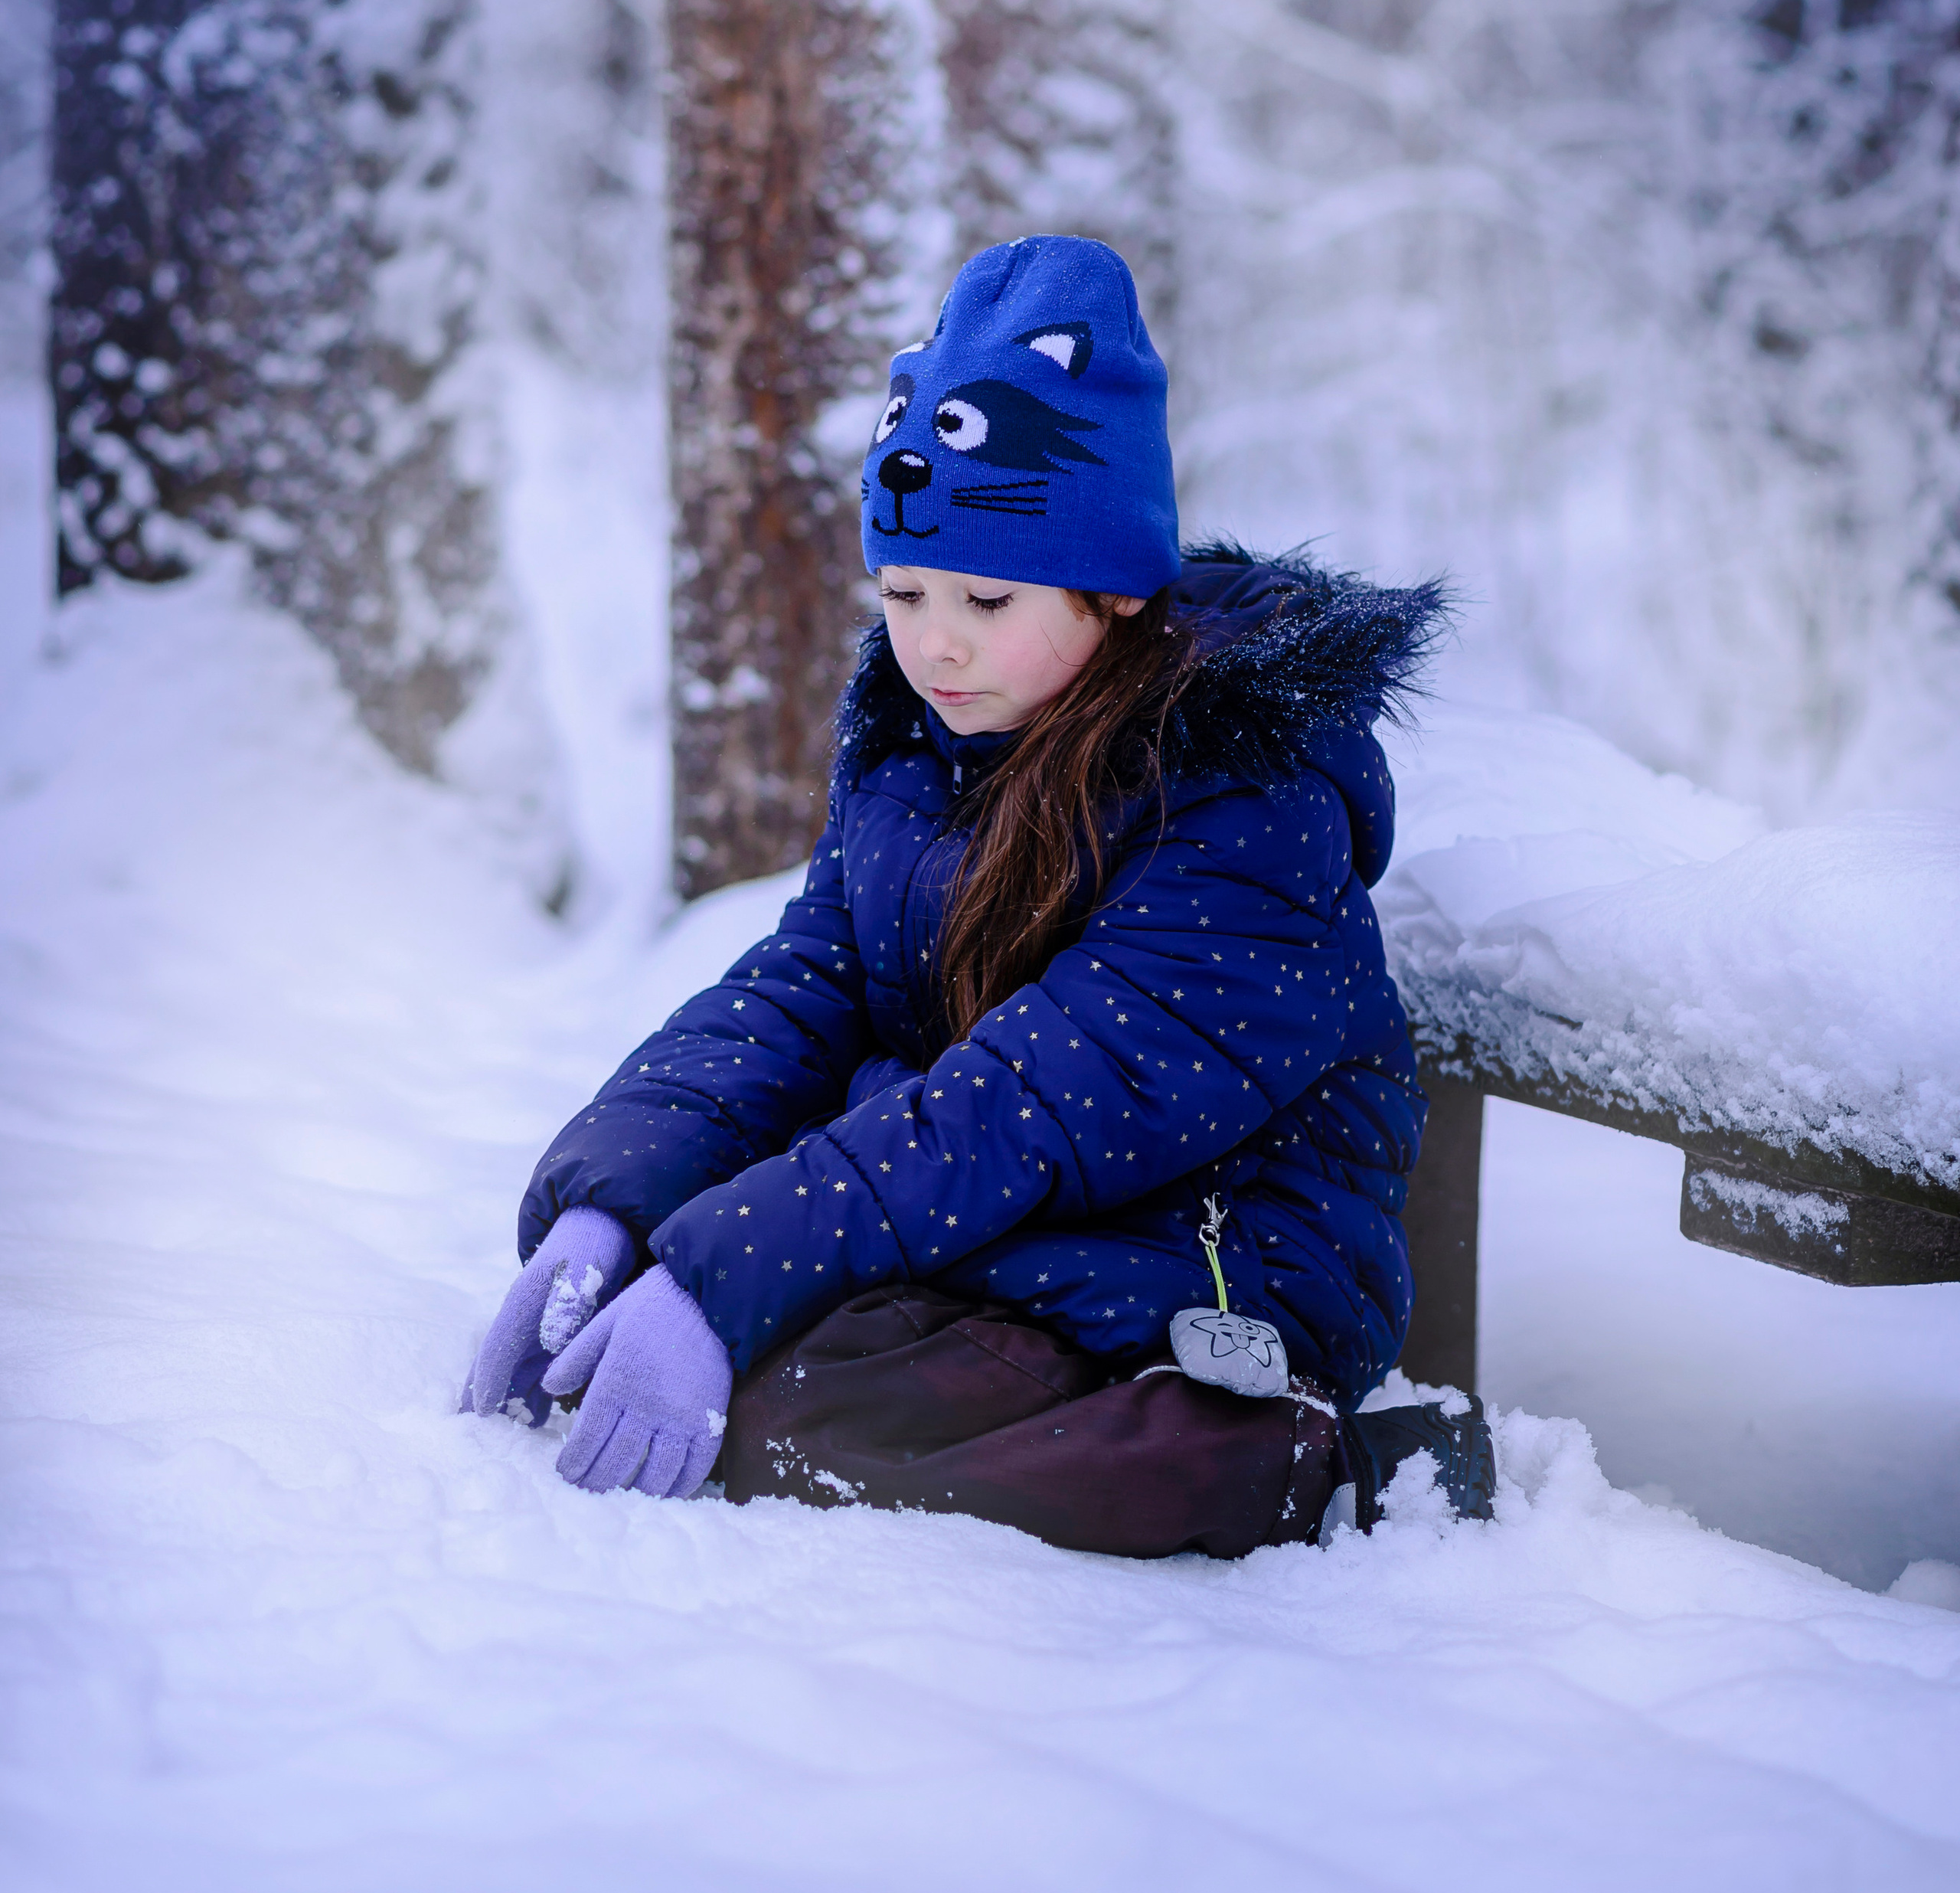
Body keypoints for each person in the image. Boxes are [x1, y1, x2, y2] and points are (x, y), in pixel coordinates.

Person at [463, 236, 1494, 1555]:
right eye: (903, 591)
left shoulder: (1244, 797)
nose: (936, 641)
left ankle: (1325, 1466)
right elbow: (800, 992)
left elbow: (1032, 1100)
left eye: (988, 597)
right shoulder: (926, 749)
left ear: (1114, 588)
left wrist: (722, 1274)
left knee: (795, 1414)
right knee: (733, 1361)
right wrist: (617, 1200)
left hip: (1213, 1254)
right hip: (1007, 1216)